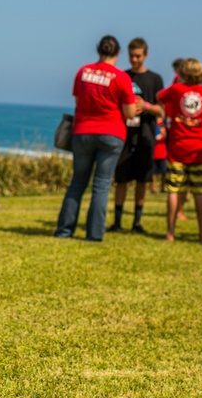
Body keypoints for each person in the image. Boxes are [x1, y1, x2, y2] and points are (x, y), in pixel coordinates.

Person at [54, 35, 139, 242]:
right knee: (101, 184)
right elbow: (129, 113)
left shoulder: (83, 72)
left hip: (83, 132)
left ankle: (65, 230)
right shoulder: (121, 78)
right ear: (118, 53)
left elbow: (78, 101)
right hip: (111, 133)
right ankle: (94, 234)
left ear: (98, 50)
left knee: (77, 182)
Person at [158, 58, 202, 243]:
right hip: (199, 150)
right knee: (200, 192)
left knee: (173, 190)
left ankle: (170, 233)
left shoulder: (177, 90)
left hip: (177, 149)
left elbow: (160, 96)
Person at [110, 38, 164, 234]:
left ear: (146, 55)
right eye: (131, 56)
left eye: (138, 56)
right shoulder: (122, 76)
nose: (134, 60)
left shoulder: (155, 79)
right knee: (121, 179)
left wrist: (146, 106)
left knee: (142, 179)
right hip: (124, 134)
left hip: (145, 135)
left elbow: (162, 110)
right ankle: (117, 221)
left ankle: (137, 223)